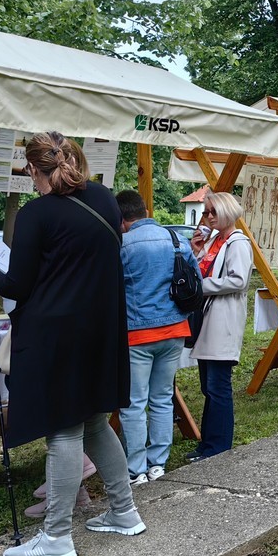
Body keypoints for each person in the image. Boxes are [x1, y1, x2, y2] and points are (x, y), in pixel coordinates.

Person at [0, 132, 144, 556]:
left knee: (64, 430)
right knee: (95, 423)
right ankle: (124, 512)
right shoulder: (105, 199)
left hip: (59, 335)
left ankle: (55, 537)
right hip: (102, 328)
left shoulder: (36, 215)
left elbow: (21, 285)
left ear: (32, 169)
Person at [115, 190, 199, 484]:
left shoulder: (122, 245)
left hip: (137, 334)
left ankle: (135, 469)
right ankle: (158, 463)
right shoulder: (177, 240)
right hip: (175, 330)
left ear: (121, 218)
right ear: (145, 209)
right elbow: (195, 281)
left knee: (134, 403)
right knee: (163, 398)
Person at [186, 192, 252, 460]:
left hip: (222, 321)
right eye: (206, 212)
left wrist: (201, 287)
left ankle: (218, 446)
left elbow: (238, 280)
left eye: (213, 211)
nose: (208, 216)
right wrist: (195, 252)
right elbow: (200, 270)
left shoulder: (237, 243)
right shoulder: (214, 241)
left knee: (217, 385)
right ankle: (208, 443)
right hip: (207, 320)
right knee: (208, 386)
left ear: (226, 212)